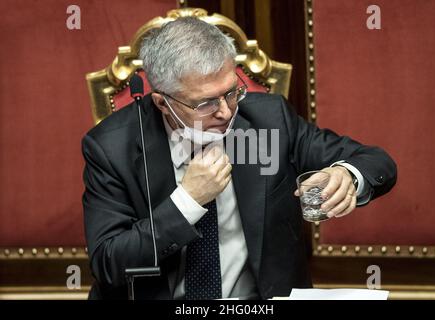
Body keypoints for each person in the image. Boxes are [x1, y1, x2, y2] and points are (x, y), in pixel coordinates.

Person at [82, 17, 397, 300]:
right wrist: (188, 202)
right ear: (164, 104)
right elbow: (109, 262)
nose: (226, 111)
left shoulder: (267, 121)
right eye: (206, 103)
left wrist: (347, 175)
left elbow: (374, 161)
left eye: (232, 92)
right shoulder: (112, 147)